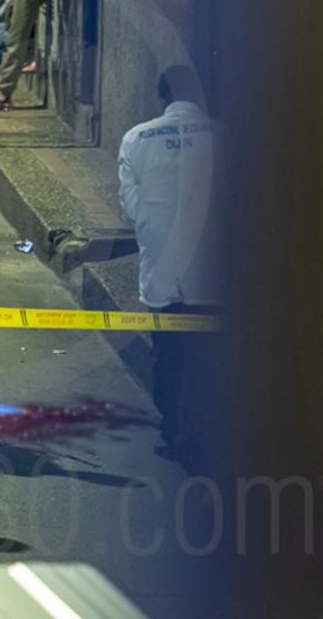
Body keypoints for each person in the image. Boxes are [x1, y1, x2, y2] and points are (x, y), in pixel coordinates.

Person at [117, 65, 217, 460]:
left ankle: (172, 432)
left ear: (160, 98)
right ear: (199, 96)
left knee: (169, 356)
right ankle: (203, 432)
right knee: (209, 357)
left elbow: (133, 207)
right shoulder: (224, 136)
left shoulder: (136, 139)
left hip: (162, 272)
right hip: (213, 274)